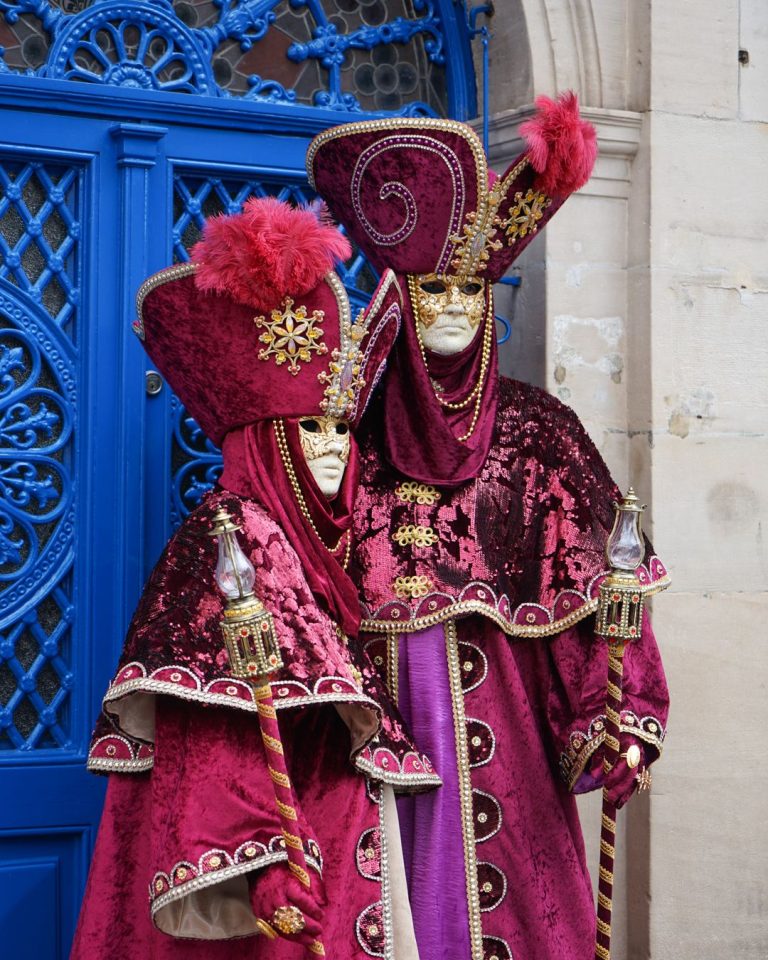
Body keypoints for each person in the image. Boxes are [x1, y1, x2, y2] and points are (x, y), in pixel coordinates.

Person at [308, 94, 670, 960]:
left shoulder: (539, 432)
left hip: (507, 741)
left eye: (472, 288)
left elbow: (601, 598)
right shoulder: (344, 433)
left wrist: (619, 716)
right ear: (400, 297)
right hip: (370, 727)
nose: (454, 308)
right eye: (434, 288)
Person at [71, 197, 439, 960]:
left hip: (322, 822)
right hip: (269, 852)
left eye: (341, 429)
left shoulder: (321, 546)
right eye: (308, 429)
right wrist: (262, 860)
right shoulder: (235, 539)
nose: (333, 448)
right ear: (263, 443)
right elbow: (207, 728)